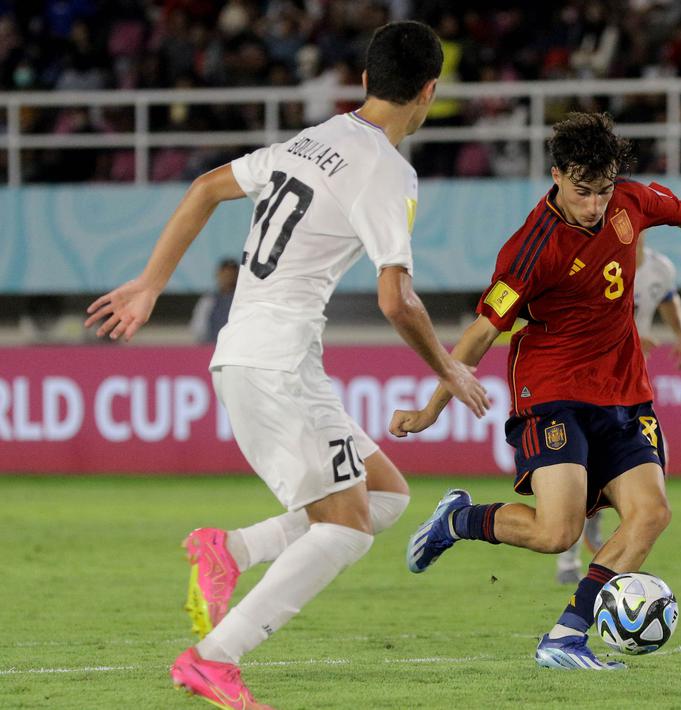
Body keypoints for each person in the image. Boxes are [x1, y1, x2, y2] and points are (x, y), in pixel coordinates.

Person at [84, 21, 489, 708]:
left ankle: (229, 551)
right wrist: (449, 369)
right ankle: (215, 658)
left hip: (272, 358)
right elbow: (397, 298)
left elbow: (207, 188)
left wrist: (151, 282)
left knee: (384, 495)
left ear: (362, 81)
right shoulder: (388, 172)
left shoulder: (311, 139)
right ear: (429, 93)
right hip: (273, 365)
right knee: (346, 526)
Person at [389, 112, 681, 670]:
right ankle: (457, 520)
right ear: (558, 176)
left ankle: (566, 636)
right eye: (583, 191)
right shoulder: (530, 248)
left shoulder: (630, 203)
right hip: (552, 393)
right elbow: (483, 331)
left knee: (651, 514)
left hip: (625, 393)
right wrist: (432, 406)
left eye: (604, 190)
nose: (594, 205)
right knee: (557, 533)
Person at [554, 235, 681, 585]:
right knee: (587, 469)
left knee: (651, 461)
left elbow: (668, 298)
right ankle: (570, 559)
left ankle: (604, 544)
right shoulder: (595, 265)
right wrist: (629, 335)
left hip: (631, 383)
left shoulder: (659, 269)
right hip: (591, 382)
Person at [188, 258, 239, 343]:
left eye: (232, 274)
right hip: (211, 347)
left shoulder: (242, 299)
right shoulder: (208, 299)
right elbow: (197, 329)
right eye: (225, 273)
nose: (229, 277)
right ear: (219, 274)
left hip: (236, 347)